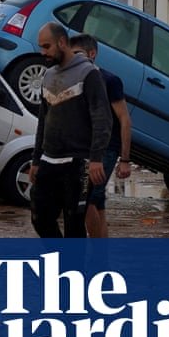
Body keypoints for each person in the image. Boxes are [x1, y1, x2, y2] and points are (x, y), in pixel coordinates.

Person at [28, 22, 112, 238]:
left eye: (47, 46)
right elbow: (43, 121)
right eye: (41, 47)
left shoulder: (89, 74)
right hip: (49, 160)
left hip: (79, 163)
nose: (42, 52)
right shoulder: (48, 76)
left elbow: (102, 119)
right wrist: (36, 160)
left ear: (62, 42)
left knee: (74, 223)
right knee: (40, 217)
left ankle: (72, 269)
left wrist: (95, 159)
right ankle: (63, 261)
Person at [70, 33, 132, 238]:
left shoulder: (109, 81)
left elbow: (124, 120)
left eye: (78, 53)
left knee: (87, 202)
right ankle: (102, 257)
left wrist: (125, 159)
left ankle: (95, 256)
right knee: (97, 204)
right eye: (71, 54)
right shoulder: (73, 80)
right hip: (83, 149)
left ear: (92, 54)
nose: (74, 58)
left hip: (105, 150)